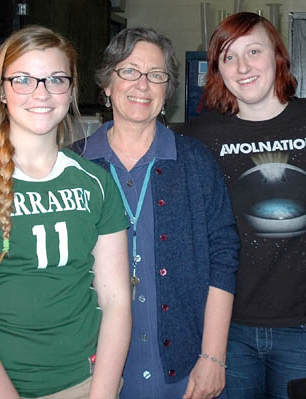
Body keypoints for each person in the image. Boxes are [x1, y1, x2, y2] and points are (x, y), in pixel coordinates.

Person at [0, 25, 131, 399]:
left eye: (55, 79)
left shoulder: (97, 183)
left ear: (71, 90)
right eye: (23, 80)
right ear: (0, 90)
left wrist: (103, 393)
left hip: (80, 386)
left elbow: (115, 302)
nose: (41, 93)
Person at [180, 12, 306, 399]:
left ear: (277, 57)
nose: (243, 66)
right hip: (228, 330)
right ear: (218, 70)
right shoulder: (201, 137)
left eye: (254, 51)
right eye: (229, 57)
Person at [76, 27, 240, 399]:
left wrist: (214, 356)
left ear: (167, 91)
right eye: (129, 71)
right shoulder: (75, 165)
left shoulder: (195, 162)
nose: (143, 85)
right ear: (106, 84)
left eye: (156, 75)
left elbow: (224, 256)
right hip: (91, 368)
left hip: (185, 367)